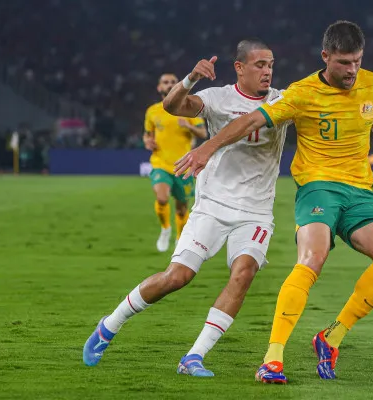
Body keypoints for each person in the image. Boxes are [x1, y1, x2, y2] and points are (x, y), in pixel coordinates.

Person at [174, 20, 373, 384]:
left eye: (356, 61)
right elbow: (249, 122)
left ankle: (330, 337)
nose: (352, 70)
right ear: (325, 57)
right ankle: (273, 359)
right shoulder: (300, 93)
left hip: (359, 191)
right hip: (318, 187)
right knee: (313, 258)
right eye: (343, 63)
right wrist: (207, 148)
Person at [83, 39, 290, 378]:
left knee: (244, 273)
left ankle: (194, 356)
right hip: (212, 204)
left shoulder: (281, 100)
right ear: (239, 67)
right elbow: (172, 106)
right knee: (177, 277)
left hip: (256, 210)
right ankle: (109, 325)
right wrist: (191, 78)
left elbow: (283, 117)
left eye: (270, 64)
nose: (267, 71)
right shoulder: (218, 98)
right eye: (259, 65)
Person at [143, 74, 207, 252]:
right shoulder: (152, 111)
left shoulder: (188, 108)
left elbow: (203, 133)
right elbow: (147, 134)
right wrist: (147, 141)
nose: (169, 84)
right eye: (165, 82)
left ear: (178, 85)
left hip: (183, 165)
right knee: (162, 198)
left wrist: (189, 126)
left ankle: (180, 237)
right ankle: (165, 229)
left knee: (181, 208)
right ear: (159, 87)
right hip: (160, 163)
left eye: (173, 82)